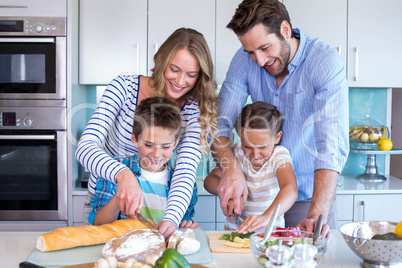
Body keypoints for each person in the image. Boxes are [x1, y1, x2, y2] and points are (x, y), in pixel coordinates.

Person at [213, 0, 349, 237]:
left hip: (309, 197)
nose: (259, 60)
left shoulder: (324, 62)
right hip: (259, 200)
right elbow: (220, 123)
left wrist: (316, 213)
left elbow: (330, 146)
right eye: (251, 52)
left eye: (265, 48)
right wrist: (231, 170)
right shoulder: (243, 61)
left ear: (285, 30)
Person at [75, 28, 218, 239]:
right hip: (108, 199)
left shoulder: (194, 109)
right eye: (174, 69)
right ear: (160, 60)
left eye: (191, 75)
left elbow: (185, 170)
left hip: (160, 209)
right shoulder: (123, 87)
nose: (180, 81)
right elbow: (85, 148)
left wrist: (170, 219)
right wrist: (123, 175)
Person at [90, 97, 200, 230]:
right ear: (134, 139)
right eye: (148, 145)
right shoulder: (114, 169)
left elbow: (181, 224)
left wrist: (186, 229)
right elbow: (98, 224)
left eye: (165, 147)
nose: (156, 154)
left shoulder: (184, 183)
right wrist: (120, 197)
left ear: (175, 144)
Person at [204, 102, 298, 233]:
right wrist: (231, 196)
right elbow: (209, 181)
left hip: (269, 237)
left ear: (276, 138)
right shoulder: (237, 152)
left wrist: (266, 218)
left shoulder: (279, 155)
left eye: (262, 147)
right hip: (234, 234)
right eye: (247, 146)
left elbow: (290, 189)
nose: (255, 154)